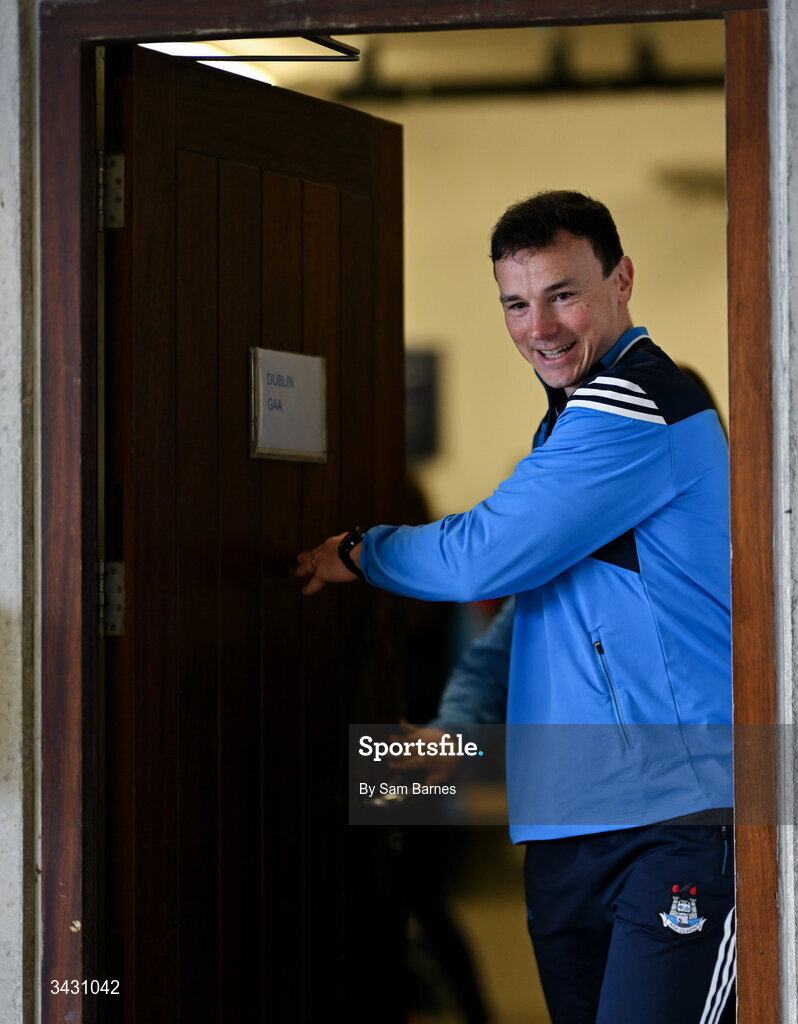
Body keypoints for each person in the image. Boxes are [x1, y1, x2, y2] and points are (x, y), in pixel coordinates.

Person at [296, 191, 734, 1024]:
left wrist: (359, 551)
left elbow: (481, 557)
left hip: (677, 817)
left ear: (622, 280)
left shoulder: (636, 404)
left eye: (563, 293)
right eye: (516, 303)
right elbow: (524, 626)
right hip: (569, 823)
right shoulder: (564, 431)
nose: (541, 325)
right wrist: (454, 726)